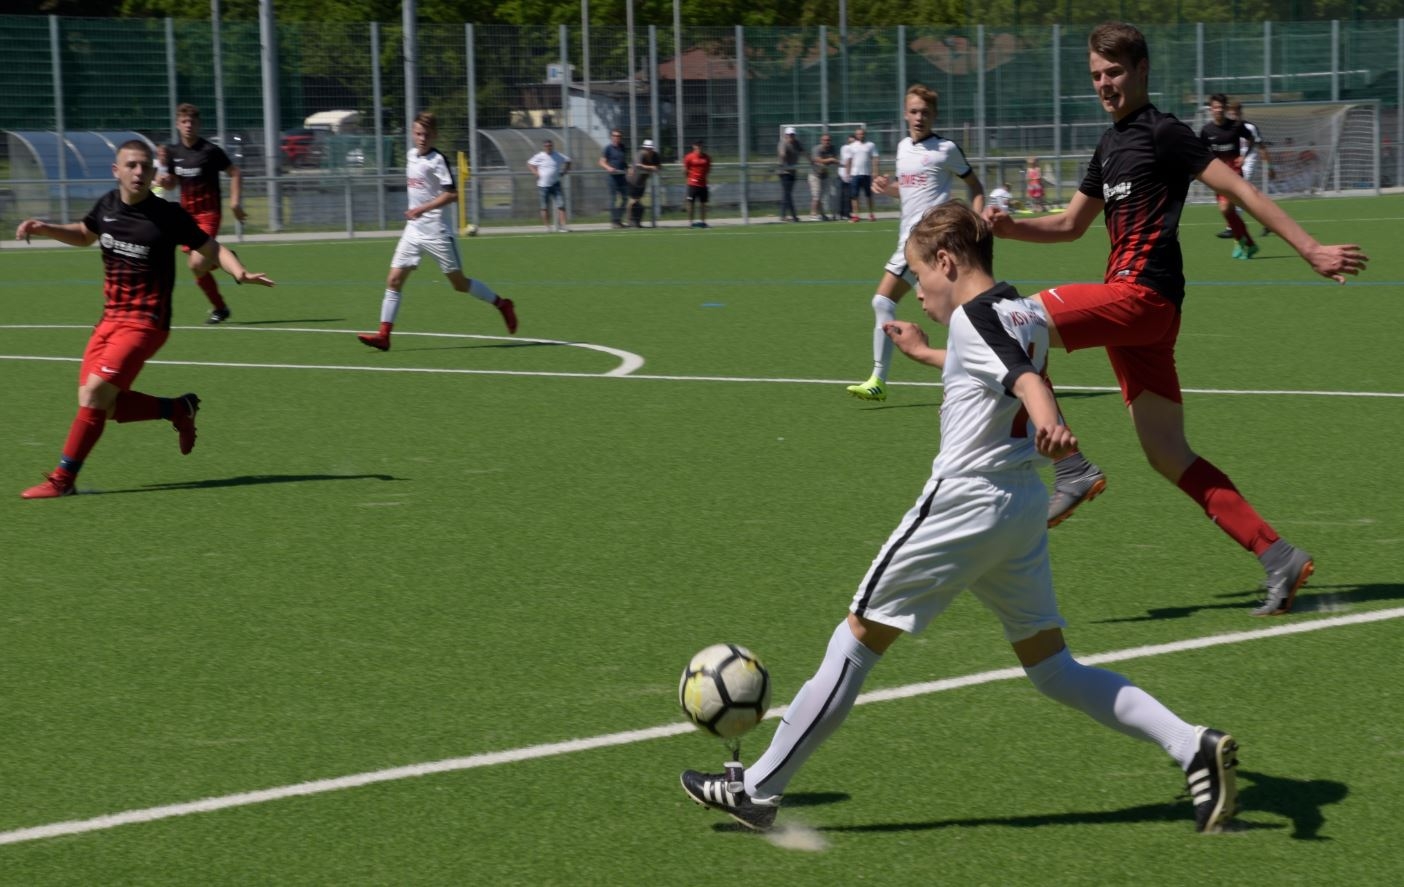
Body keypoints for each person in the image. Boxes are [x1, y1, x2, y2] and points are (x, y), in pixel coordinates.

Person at [680, 201, 1240, 836]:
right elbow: (991, 365)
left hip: (964, 502)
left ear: (947, 261)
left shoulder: (976, 319)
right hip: (1018, 507)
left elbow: (1024, 381)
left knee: (856, 639)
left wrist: (1054, 428)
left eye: (920, 276)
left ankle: (757, 789)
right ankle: (1190, 744)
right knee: (1053, 668)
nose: (918, 293)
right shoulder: (1022, 311)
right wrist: (925, 354)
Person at [985, 21, 1367, 615]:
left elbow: (1241, 191)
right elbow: (1069, 225)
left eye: (1114, 72)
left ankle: (1073, 467)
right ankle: (1279, 557)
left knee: (1011, 320)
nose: (1104, 84)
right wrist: (1011, 228)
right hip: (1140, 317)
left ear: (1141, 71)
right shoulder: (1109, 145)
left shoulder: (1164, 132)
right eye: (1096, 75)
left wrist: (1310, 248)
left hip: (1142, 297)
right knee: (1167, 453)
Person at [14, 139, 275, 500]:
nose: (138, 172)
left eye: (145, 166)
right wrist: (47, 228)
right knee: (101, 406)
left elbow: (212, 247)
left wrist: (239, 272)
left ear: (153, 173)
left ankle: (62, 480)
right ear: (116, 170)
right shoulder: (107, 205)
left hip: (146, 323)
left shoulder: (168, 215)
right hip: (109, 320)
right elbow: (85, 235)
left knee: (94, 395)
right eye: (131, 165)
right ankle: (178, 409)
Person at [845, 84, 984, 403]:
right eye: (914, 111)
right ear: (905, 114)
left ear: (934, 115)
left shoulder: (945, 149)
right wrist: (888, 188)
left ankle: (880, 378)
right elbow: (910, 192)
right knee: (945, 309)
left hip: (931, 240)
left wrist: (978, 223)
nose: (920, 117)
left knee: (889, 302)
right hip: (908, 242)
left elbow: (976, 186)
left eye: (926, 112)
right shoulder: (902, 148)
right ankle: (974, 371)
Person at [358, 111, 516, 352]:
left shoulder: (437, 160)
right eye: (418, 133)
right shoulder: (411, 156)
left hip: (437, 231)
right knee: (394, 280)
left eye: (427, 134)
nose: (422, 138)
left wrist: (422, 208)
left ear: (435, 135)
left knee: (459, 284)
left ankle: (502, 304)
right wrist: (416, 213)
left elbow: (452, 194)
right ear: (413, 134)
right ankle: (384, 335)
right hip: (413, 231)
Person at [158, 102, 247, 324]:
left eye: (192, 121)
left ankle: (224, 260)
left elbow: (235, 172)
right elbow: (172, 183)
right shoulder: (173, 153)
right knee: (199, 269)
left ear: (199, 125)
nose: (188, 125)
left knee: (196, 264)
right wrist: (165, 181)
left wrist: (235, 203)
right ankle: (220, 307)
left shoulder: (210, 151)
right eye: (184, 121)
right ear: (177, 124)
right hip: (186, 217)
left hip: (208, 214)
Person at [1199, 94, 1258, 259]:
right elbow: (1201, 151)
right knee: (1228, 211)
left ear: (1225, 108)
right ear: (1211, 109)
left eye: (1221, 107)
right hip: (1217, 174)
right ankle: (1247, 243)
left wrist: (1244, 156)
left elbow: (1252, 139)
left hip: (1234, 173)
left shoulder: (1236, 126)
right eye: (1215, 107)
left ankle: (1242, 241)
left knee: (1226, 208)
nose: (1218, 110)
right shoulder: (1206, 130)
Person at [1227, 101, 1275, 238]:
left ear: (1240, 113)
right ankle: (1268, 222)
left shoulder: (1250, 127)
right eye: (1231, 114)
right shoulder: (1227, 128)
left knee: (1238, 192)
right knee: (1249, 196)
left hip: (1249, 163)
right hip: (1234, 164)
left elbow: (1261, 147)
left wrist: (1270, 167)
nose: (1233, 116)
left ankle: (1231, 227)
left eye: (1236, 114)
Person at [527, 138, 571, 232]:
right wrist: (535, 173)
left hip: (556, 184)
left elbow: (568, 161)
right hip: (543, 186)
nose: (548, 147)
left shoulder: (558, 155)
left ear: (552, 146)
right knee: (544, 207)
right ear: (544, 147)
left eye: (550, 145)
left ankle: (563, 226)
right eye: (546, 146)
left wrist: (565, 171)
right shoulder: (539, 156)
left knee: (561, 205)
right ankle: (547, 227)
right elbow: (530, 164)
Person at [627, 139, 662, 228]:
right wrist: (651, 167)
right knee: (633, 201)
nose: (648, 150)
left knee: (637, 203)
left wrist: (655, 168)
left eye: (650, 148)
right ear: (644, 148)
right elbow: (638, 165)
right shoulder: (640, 154)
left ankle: (636, 222)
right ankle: (630, 221)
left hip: (642, 182)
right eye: (646, 148)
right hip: (633, 181)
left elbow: (659, 167)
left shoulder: (655, 155)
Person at [598, 129, 629, 229]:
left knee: (625, 198)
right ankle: (614, 221)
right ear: (611, 137)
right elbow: (601, 162)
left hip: (622, 177)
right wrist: (608, 167)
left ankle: (618, 218)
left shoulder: (623, 147)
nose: (617, 138)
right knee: (613, 199)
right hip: (612, 178)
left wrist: (628, 169)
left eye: (619, 136)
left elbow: (623, 162)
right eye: (615, 136)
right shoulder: (608, 148)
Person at [846, 127, 879, 221]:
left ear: (865, 134)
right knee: (854, 196)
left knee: (868, 195)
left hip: (866, 174)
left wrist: (875, 171)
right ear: (856, 135)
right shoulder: (851, 146)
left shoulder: (870, 145)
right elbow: (849, 160)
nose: (861, 135)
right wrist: (848, 173)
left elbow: (875, 158)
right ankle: (856, 215)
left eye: (862, 134)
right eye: (859, 134)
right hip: (855, 174)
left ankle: (871, 214)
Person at [808, 132, 838, 221]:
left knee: (822, 196)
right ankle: (813, 214)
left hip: (825, 175)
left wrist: (833, 161)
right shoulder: (816, 149)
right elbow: (818, 160)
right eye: (824, 140)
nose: (826, 142)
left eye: (828, 140)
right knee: (816, 196)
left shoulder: (832, 148)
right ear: (821, 141)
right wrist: (830, 159)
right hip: (815, 175)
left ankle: (822, 214)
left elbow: (835, 159)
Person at [683, 138, 712, 228]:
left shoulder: (707, 157)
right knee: (690, 203)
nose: (699, 147)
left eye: (700, 145)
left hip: (703, 184)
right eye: (697, 145)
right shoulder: (689, 157)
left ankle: (703, 222)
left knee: (703, 203)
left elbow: (708, 169)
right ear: (694, 146)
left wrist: (703, 177)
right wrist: (690, 179)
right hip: (692, 184)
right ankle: (690, 222)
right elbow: (685, 170)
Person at [776, 126, 803, 222]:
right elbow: (782, 154)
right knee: (788, 194)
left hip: (792, 171)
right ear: (786, 135)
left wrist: (811, 161)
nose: (791, 136)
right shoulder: (783, 143)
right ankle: (793, 215)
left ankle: (783, 215)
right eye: (789, 135)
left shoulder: (797, 143)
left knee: (786, 194)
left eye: (792, 135)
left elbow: (803, 152)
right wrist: (783, 159)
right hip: (784, 172)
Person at [836, 134, 856, 221]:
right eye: (850, 141)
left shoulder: (854, 148)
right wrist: (847, 174)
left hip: (850, 171)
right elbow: (848, 160)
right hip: (844, 171)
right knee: (843, 194)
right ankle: (842, 213)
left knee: (848, 195)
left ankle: (847, 213)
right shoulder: (846, 148)